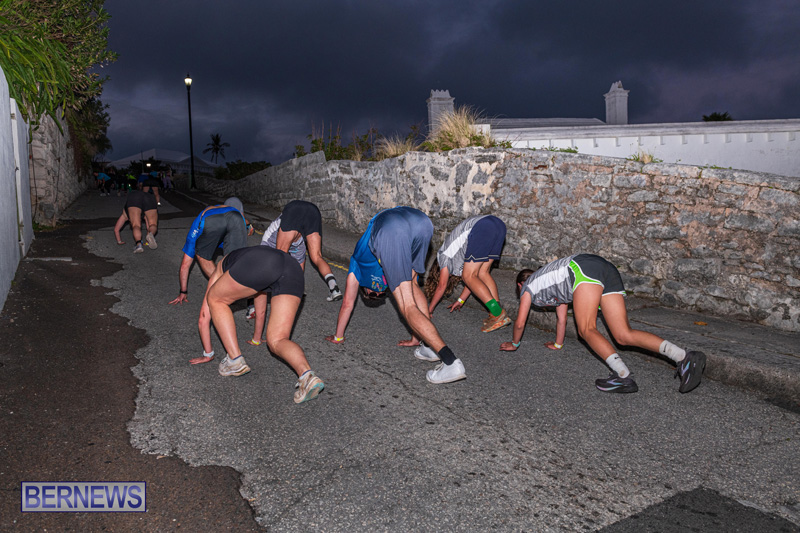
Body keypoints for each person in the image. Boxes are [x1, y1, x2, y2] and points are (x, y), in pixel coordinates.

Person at [500, 254, 707, 394]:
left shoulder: (529, 286)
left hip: (582, 269)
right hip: (604, 268)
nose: (521, 294)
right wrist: (558, 344)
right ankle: (684, 356)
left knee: (587, 329)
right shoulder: (553, 285)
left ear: (520, 284)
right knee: (623, 334)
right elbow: (562, 318)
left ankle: (622, 375)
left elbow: (520, 322)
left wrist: (514, 344)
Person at [326, 206, 467, 384]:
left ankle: (450, 362)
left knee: (407, 306)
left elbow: (347, 303)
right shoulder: (372, 265)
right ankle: (426, 345)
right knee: (414, 284)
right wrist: (416, 338)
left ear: (365, 288)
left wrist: (338, 337)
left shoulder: (356, 265)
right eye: (379, 295)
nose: (378, 293)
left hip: (390, 230)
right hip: (421, 222)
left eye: (374, 295)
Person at [203, 246, 324, 403]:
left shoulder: (221, 268)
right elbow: (259, 305)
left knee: (215, 298)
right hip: (293, 269)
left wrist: (207, 353)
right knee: (277, 340)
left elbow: (204, 315)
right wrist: (256, 338)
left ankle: (234, 360)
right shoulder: (247, 268)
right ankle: (307, 376)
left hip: (265, 264)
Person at [168, 197, 253, 365]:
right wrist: (249, 226)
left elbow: (185, 265)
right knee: (236, 260)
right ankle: (246, 298)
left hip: (210, 221)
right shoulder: (234, 212)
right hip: (237, 218)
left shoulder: (200, 220)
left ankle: (219, 286)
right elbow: (243, 218)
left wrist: (183, 291)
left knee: (200, 253)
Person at [411, 215, 510, 345]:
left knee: (469, 276)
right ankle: (496, 312)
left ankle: (497, 313)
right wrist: (460, 300)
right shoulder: (458, 257)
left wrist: (429, 309)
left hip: (482, 227)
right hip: (498, 225)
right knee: (482, 273)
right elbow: (472, 283)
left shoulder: (443, 256)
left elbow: (442, 285)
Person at [265, 200, 342, 302]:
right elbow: (299, 268)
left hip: (293, 209)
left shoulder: (268, 239)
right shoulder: (299, 245)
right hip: (313, 210)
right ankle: (334, 287)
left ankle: (278, 292)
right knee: (317, 257)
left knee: (281, 255)